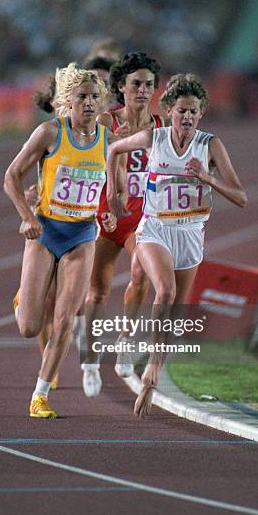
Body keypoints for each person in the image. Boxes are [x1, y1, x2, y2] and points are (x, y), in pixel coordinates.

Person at [107, 72, 247, 417]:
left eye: (194, 111)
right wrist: (115, 193)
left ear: (201, 114)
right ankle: (150, 371)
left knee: (174, 313)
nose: (187, 116)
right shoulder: (152, 138)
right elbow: (113, 149)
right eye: (181, 110)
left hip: (191, 234)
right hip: (154, 229)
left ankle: (153, 364)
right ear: (169, 110)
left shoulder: (210, 145)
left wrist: (206, 177)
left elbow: (241, 197)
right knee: (165, 293)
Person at [4, 63, 117, 418]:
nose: (88, 102)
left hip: (82, 235)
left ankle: (40, 396)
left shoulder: (108, 140)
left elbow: (112, 188)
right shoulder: (50, 133)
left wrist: (109, 212)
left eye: (94, 97)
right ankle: (25, 298)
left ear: (101, 102)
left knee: (68, 317)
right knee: (29, 327)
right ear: (68, 101)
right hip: (46, 230)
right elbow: (11, 176)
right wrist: (26, 217)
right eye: (81, 96)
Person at [81, 52, 168, 397]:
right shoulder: (105, 122)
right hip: (105, 215)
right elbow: (87, 161)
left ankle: (125, 340)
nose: (143, 91)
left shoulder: (161, 127)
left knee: (140, 274)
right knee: (97, 291)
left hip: (141, 219)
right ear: (121, 86)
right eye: (136, 84)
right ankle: (89, 359)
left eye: (149, 85)